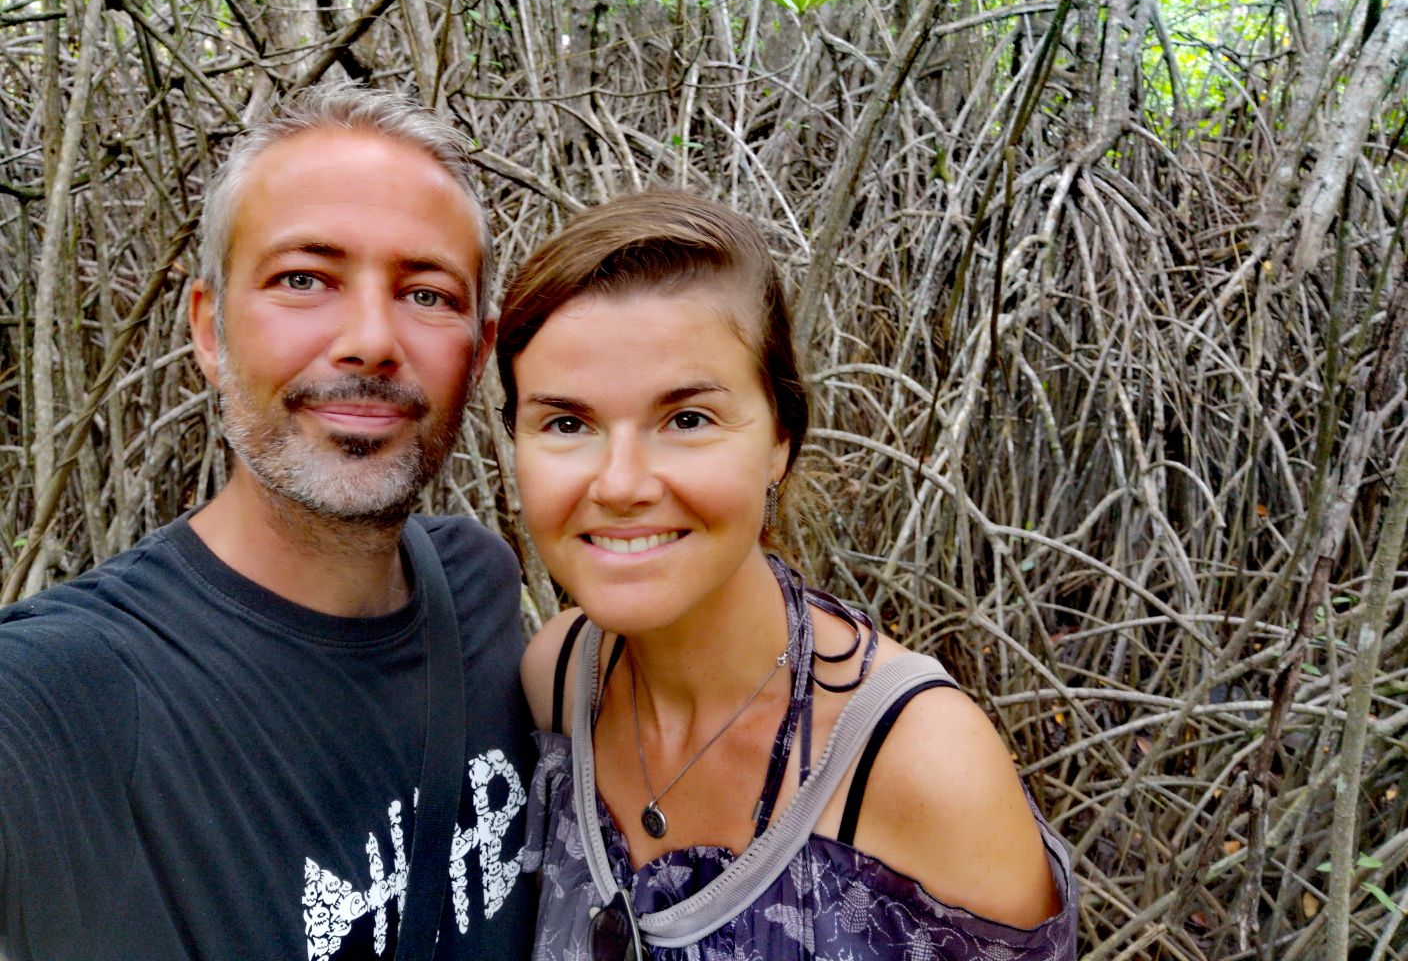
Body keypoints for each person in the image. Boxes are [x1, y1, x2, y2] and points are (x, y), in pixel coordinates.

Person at [0, 84, 536, 961]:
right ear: (210, 332)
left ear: (477, 354)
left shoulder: (478, 586)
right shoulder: (62, 694)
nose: (371, 340)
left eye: (428, 294)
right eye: (303, 280)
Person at [500, 191, 1078, 960]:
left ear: (780, 440)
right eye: (567, 424)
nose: (620, 483)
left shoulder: (923, 768)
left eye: (687, 419)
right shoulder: (559, 677)